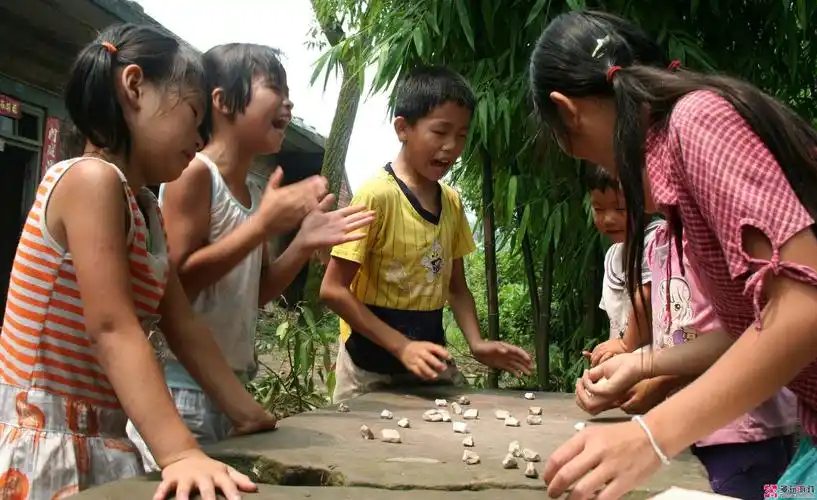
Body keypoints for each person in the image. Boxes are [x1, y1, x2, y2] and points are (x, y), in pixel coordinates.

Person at [528, 10, 817, 499]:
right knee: (780, 495)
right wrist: (644, 363)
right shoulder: (680, 154)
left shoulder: (696, 121)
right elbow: (762, 323)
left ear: (568, 112)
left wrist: (650, 437)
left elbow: (805, 306)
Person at [0, 24, 275, 500]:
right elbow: (111, 328)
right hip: (47, 436)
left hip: (100, 435)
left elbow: (184, 325)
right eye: (193, 114)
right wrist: (181, 452)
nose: (199, 135)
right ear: (134, 87)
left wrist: (246, 411)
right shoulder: (90, 181)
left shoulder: (145, 207)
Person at [125, 43, 375, 468]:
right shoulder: (195, 175)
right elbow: (174, 285)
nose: (288, 100)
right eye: (274, 86)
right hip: (182, 389)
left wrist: (302, 242)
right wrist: (260, 227)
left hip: (232, 389)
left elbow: (256, 293)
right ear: (221, 101)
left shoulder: (257, 194)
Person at [320, 66, 533, 403]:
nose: (451, 147)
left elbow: (457, 287)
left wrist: (476, 343)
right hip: (367, 369)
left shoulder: (451, 202)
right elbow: (332, 290)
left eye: (462, 135)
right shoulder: (377, 196)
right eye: (440, 132)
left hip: (428, 363)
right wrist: (401, 346)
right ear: (403, 128)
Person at [580, 219, 798, 498]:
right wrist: (640, 371)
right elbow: (680, 340)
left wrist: (655, 378)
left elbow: (750, 332)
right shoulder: (660, 242)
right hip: (691, 427)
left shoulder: (719, 235)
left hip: (743, 432)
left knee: (780, 493)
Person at [582, 165, 661, 367]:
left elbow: (646, 295)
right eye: (598, 209)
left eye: (620, 208)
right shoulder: (613, 255)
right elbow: (617, 319)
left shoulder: (658, 239)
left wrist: (626, 345)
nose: (608, 219)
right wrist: (611, 350)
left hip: (659, 359)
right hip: (632, 358)